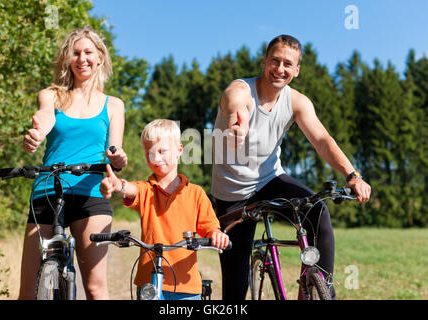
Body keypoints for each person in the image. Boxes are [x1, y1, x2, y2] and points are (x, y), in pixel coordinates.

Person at [211, 34, 371, 300]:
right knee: (235, 289)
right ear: (264, 61)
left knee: (318, 212)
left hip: (270, 180)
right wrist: (235, 123)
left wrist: (352, 175)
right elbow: (234, 102)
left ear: (296, 70)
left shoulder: (297, 101)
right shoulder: (240, 90)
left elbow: (322, 140)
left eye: (288, 64)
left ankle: (316, 291)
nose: (280, 69)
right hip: (232, 192)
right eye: (275, 61)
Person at [21, 27, 127, 300]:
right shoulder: (51, 95)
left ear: (100, 57)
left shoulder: (114, 105)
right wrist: (37, 133)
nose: (82, 59)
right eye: (76, 53)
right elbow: (45, 117)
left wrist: (117, 158)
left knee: (95, 288)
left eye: (88, 52)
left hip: (90, 193)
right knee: (27, 293)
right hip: (48, 189)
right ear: (68, 59)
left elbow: (114, 150)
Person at [100, 119, 229, 300]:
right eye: (149, 153)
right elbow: (131, 189)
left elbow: (209, 225)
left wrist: (216, 234)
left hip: (186, 286)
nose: (156, 158)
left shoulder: (196, 194)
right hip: (149, 283)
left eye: (162, 151)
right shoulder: (147, 189)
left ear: (179, 151)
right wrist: (119, 185)